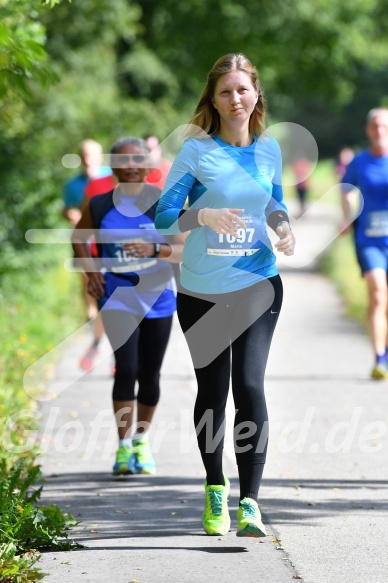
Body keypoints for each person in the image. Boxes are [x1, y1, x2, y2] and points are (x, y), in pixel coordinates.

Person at [155, 53, 295, 537]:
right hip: (201, 288)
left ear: (256, 93)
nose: (235, 99)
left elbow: (273, 198)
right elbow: (163, 215)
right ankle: (216, 487)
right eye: (225, 92)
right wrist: (203, 216)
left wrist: (283, 227)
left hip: (258, 281)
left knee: (250, 386)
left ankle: (250, 502)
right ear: (212, 101)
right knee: (213, 391)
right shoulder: (196, 152)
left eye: (242, 89)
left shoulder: (270, 149)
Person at [72, 137, 185, 475]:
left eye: (138, 159)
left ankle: (141, 441)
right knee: (127, 369)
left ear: (149, 165)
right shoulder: (99, 203)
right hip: (117, 299)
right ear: (113, 166)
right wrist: (89, 271)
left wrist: (153, 251)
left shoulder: (164, 204)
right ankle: (123, 450)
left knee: (150, 375)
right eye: (123, 159)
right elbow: (79, 238)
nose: (132, 165)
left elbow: (182, 251)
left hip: (159, 300)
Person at [340, 108, 388, 380]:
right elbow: (346, 190)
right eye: (375, 127)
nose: (380, 131)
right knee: (378, 293)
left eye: (384, 126)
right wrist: (347, 216)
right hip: (369, 240)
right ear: (368, 130)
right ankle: (379, 358)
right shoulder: (359, 162)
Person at [63, 139, 112, 371]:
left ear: (100, 156)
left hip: (112, 246)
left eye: (91, 155)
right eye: (84, 155)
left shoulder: (114, 176)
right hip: (87, 242)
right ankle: (92, 317)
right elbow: (70, 208)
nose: (87, 159)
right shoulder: (75, 185)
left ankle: (103, 336)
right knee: (89, 281)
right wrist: (71, 214)